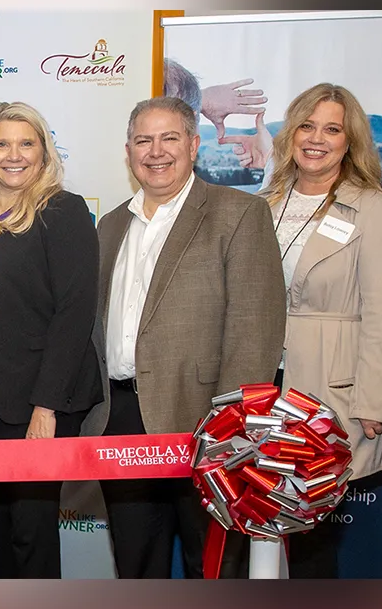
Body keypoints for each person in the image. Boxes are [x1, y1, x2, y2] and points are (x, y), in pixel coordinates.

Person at [85, 96, 285, 579]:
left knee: (212, 564)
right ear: (129, 150)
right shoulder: (111, 225)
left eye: (169, 137)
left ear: (194, 145)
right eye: (143, 140)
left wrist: (231, 426)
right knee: (136, 563)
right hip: (122, 418)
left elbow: (254, 330)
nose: (156, 151)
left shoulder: (237, 213)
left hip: (204, 419)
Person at [258, 83, 382, 577]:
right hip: (265, 390)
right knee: (259, 525)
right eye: (306, 125)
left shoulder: (374, 209)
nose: (316, 138)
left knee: (313, 543)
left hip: (332, 391)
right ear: (290, 134)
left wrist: (371, 402)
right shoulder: (266, 201)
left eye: (332, 129)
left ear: (350, 142)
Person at [0, 102, 100, 578]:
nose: (13, 155)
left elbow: (74, 315)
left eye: (26, 143)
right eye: (2, 144)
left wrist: (46, 407)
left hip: (39, 396)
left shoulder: (63, 210)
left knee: (30, 528)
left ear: (43, 151)